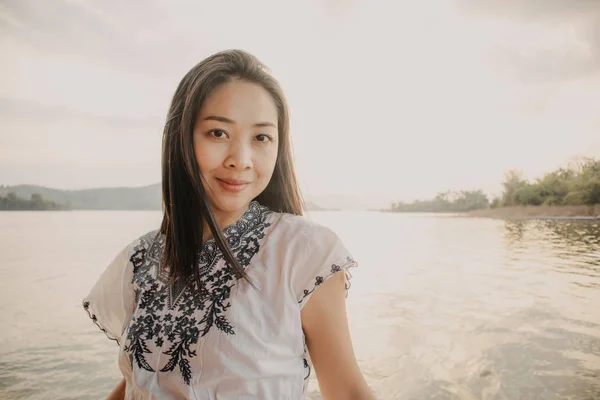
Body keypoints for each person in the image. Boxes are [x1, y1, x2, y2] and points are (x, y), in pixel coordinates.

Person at [83, 49, 375, 400]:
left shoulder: (305, 252)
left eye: (261, 137)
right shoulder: (141, 258)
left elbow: (348, 392)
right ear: (182, 138)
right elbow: (137, 383)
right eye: (218, 133)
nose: (241, 160)